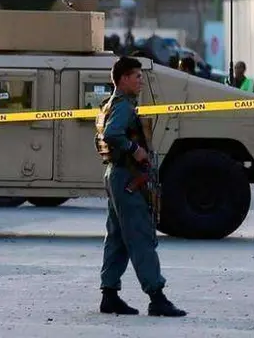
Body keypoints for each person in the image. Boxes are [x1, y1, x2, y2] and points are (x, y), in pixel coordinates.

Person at [95, 56, 186, 317]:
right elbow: (112, 134)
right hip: (128, 178)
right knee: (140, 236)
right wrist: (134, 149)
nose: (140, 81)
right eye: (136, 76)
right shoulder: (123, 106)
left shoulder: (110, 104)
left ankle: (109, 295)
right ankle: (156, 297)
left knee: (117, 237)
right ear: (123, 79)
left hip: (116, 175)